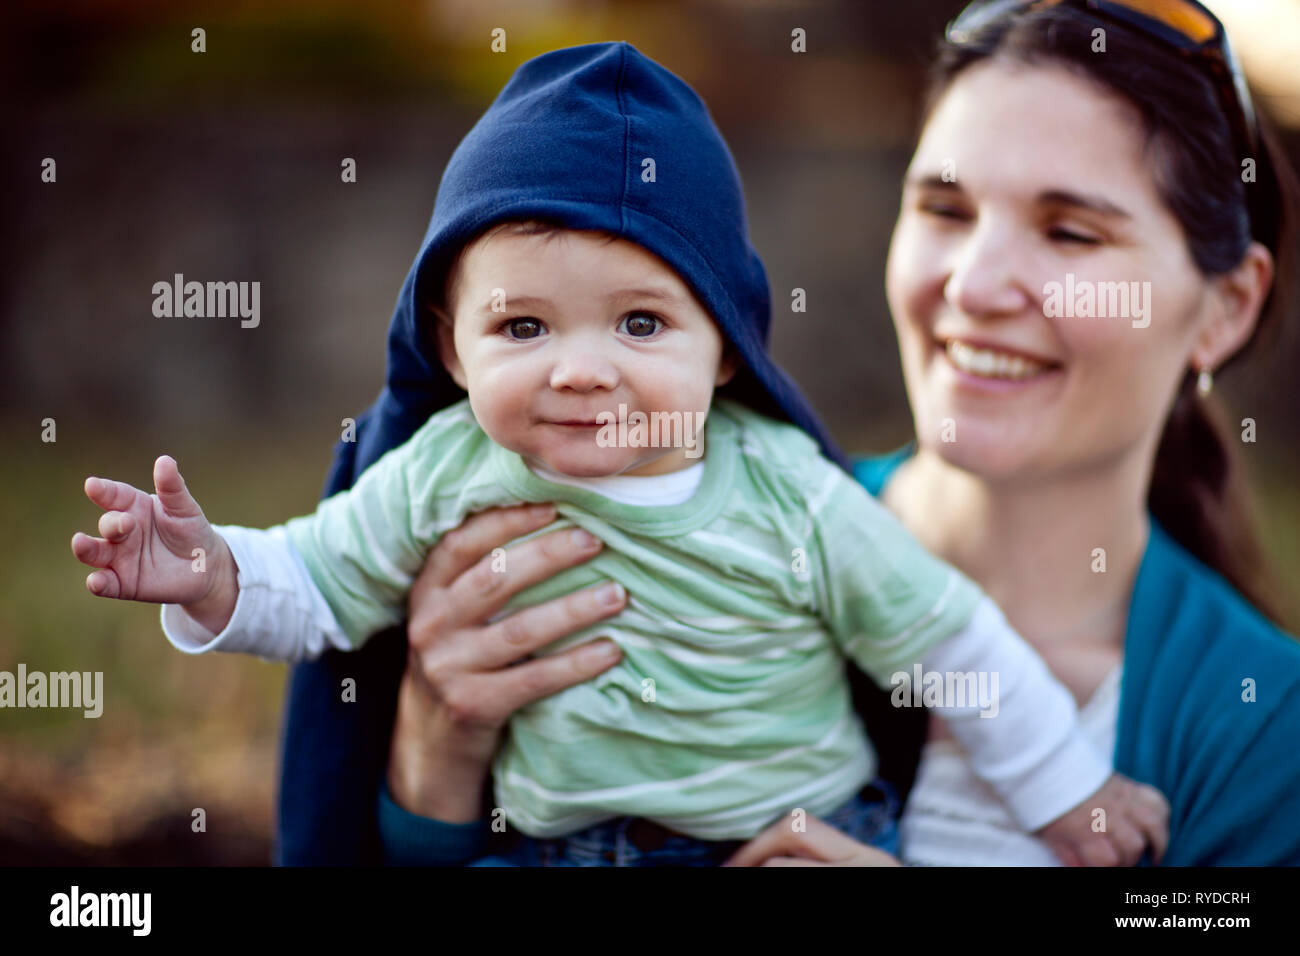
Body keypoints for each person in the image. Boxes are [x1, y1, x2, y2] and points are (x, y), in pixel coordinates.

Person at [71, 41, 1165, 867]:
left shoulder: (786, 494)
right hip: (557, 846)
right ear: (450, 347)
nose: (582, 369)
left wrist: (1068, 792)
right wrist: (210, 573)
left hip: (795, 837)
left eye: (640, 324)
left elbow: (953, 639)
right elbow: (317, 581)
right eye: (523, 327)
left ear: (725, 351)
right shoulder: (444, 470)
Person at [370, 1, 1300, 866]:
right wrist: (433, 759)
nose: (973, 286)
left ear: (1225, 307)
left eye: (1070, 234)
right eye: (945, 210)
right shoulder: (636, 533)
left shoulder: (1265, 728)